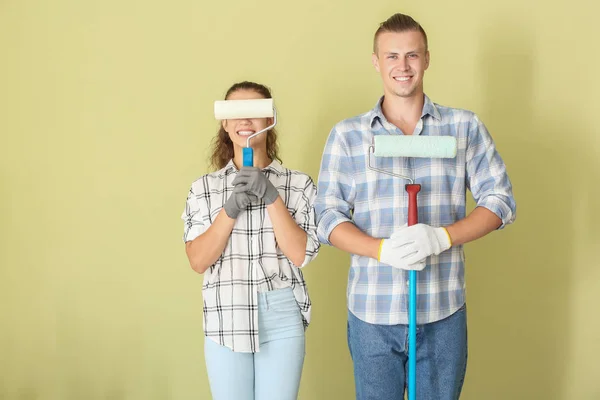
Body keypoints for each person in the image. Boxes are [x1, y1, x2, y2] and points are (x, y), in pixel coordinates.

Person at [314, 13, 516, 400]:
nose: (402, 66)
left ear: (426, 58)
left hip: (442, 311)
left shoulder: (464, 128)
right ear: (376, 61)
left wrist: (442, 237)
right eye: (391, 56)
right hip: (372, 313)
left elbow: (501, 200)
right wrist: (381, 249)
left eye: (411, 55)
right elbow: (326, 216)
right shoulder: (348, 136)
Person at [181, 81, 319, 400]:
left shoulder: (298, 184)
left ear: (269, 120)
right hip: (225, 311)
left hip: (281, 311)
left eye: (254, 112)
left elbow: (301, 253)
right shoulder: (204, 189)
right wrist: (229, 209)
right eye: (236, 112)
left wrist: (272, 198)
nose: (245, 121)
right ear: (225, 123)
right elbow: (198, 260)